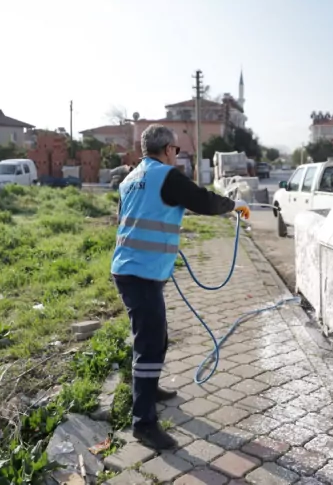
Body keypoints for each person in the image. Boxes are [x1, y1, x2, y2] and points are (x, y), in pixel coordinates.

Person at [111, 124, 250, 450]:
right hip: (141, 273)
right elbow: (202, 200)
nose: (178, 155)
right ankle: (143, 424)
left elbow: (131, 217)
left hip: (132, 269)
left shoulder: (131, 178)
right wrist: (234, 205)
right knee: (148, 343)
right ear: (169, 149)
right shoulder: (166, 177)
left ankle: (150, 388)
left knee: (156, 338)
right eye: (177, 150)